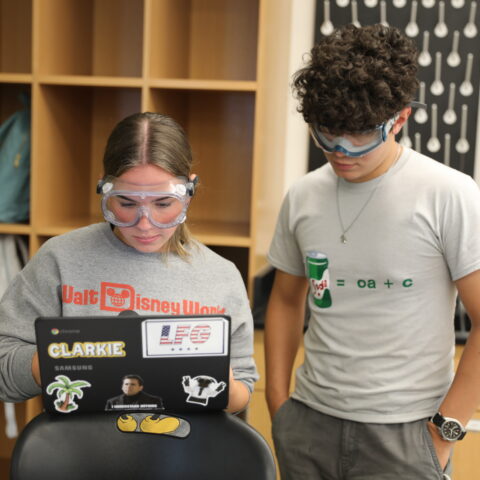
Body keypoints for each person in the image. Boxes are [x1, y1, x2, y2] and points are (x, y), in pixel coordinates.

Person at [265, 24, 480, 479]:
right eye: (326, 132)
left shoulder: (450, 194)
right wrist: (279, 404)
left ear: (399, 118)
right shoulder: (302, 196)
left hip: (408, 434)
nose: (340, 150)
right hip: (308, 422)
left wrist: (445, 431)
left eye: (361, 134)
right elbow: (285, 299)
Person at [0, 112, 258, 414]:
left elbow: (243, 388)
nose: (145, 224)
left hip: (184, 453)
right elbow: (4, 370)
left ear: (189, 191)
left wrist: (216, 384)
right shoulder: (60, 259)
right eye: (127, 204)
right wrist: (60, 362)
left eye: (163, 204)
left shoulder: (221, 276)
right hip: (82, 454)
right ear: (104, 189)